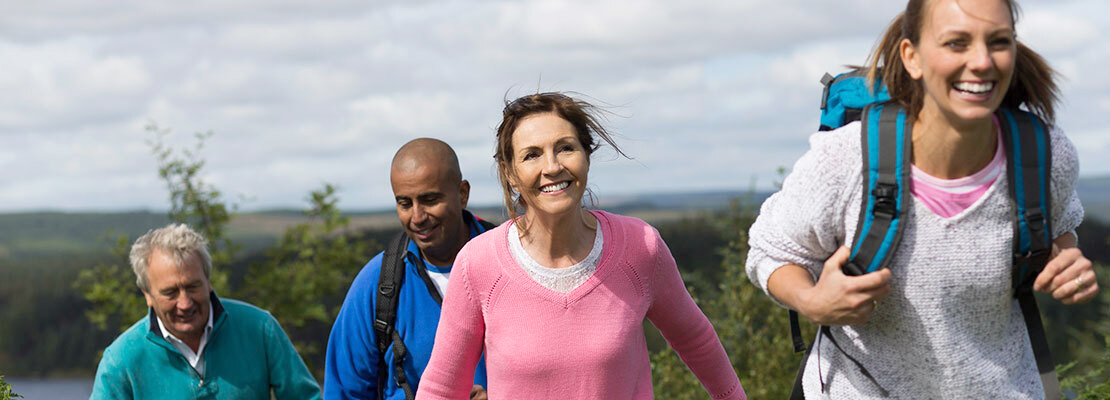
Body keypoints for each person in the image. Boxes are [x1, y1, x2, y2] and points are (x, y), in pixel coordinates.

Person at [745, 0, 1100, 398]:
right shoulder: (846, 160)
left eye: (999, 41)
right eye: (957, 43)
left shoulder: (1044, 155)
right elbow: (771, 251)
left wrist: (1064, 258)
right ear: (912, 57)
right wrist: (812, 301)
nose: (982, 62)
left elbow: (1059, 228)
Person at [415, 92, 746, 399]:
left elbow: (696, 341)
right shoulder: (478, 263)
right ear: (510, 173)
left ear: (587, 156)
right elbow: (442, 387)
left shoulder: (640, 246)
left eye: (565, 148)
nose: (552, 167)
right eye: (532, 155)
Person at [325, 138, 490, 399]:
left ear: (462, 194)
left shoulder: (515, 263)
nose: (417, 217)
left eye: (429, 200)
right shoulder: (377, 284)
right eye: (404, 203)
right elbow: (344, 393)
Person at [90, 223, 321, 400]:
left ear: (208, 281)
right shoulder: (122, 359)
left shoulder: (259, 329)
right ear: (147, 295)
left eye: (193, 287)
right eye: (171, 292)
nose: (185, 303)